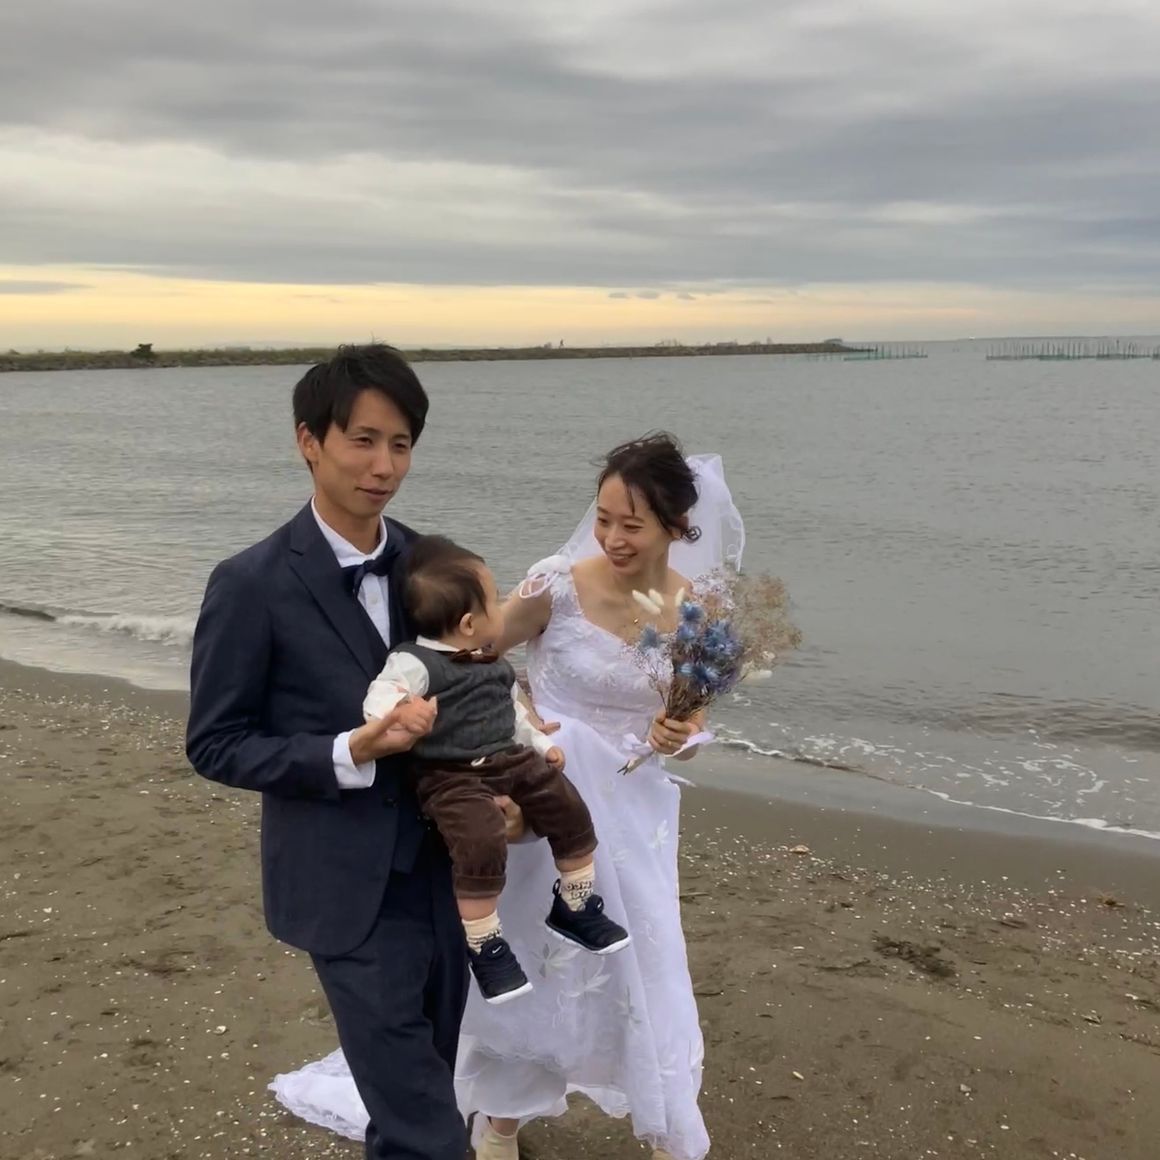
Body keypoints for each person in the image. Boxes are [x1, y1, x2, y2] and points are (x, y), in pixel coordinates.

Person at [271, 433, 745, 1160]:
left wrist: (678, 734)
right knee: (528, 952)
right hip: (534, 792)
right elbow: (471, 650)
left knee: (639, 958)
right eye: (603, 518)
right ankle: (500, 1118)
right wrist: (503, 716)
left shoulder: (696, 613)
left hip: (633, 809)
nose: (612, 537)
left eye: (632, 524)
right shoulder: (556, 585)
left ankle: (659, 1111)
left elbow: (693, 722)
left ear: (677, 528)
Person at [186, 344, 474, 1160]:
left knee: (427, 1082)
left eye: (402, 444)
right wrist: (350, 750)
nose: (385, 466)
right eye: (364, 440)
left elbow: (472, 685)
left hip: (447, 870)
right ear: (309, 441)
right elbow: (216, 743)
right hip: (342, 885)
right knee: (427, 1127)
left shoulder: (431, 563)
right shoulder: (250, 583)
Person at [362, 534, 631, 1005]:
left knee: (566, 803)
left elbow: (514, 716)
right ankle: (484, 944)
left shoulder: (493, 663)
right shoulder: (415, 662)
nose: (504, 604)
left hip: (508, 757)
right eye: (494, 600)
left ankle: (575, 903)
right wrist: (401, 712)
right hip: (449, 773)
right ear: (469, 623)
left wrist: (543, 744)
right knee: (481, 837)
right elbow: (378, 699)